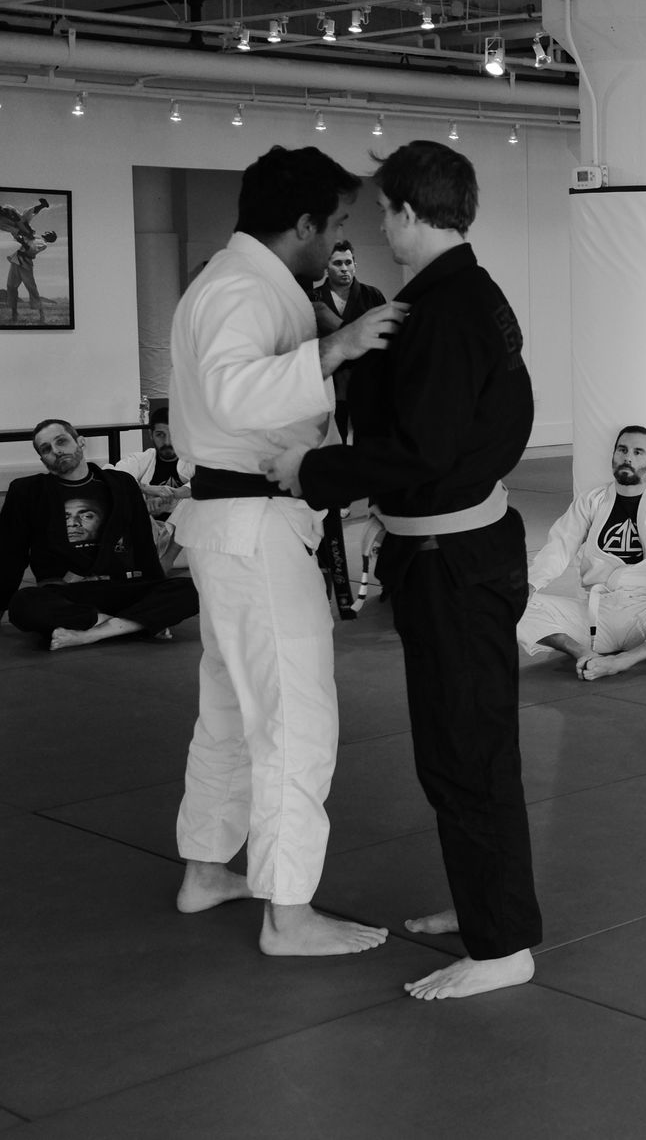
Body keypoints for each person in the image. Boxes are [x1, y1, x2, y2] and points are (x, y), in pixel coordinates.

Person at [268, 141, 538, 1000]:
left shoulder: (449, 310)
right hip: (454, 551)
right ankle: (485, 902)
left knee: (467, 751)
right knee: (459, 748)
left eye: (386, 211)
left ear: (415, 213)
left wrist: (312, 472)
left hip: (454, 559)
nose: (380, 227)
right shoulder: (460, 295)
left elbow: (423, 449)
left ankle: (503, 946)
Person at [167, 144, 404, 959]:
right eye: (335, 223)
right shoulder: (239, 288)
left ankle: (207, 869)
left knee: (232, 711)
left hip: (238, 525)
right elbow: (233, 391)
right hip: (255, 524)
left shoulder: (242, 283)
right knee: (296, 718)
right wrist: (334, 350)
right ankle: (288, 912)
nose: (339, 238)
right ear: (302, 223)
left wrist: (326, 336)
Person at [518, 425, 646, 680]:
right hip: (593, 615)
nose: (628, 457)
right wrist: (531, 583)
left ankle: (625, 660)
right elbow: (560, 545)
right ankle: (583, 653)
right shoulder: (591, 501)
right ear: (613, 456)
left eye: (638, 452)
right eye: (622, 450)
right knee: (504, 600)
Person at [0, 417, 199, 649]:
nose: (56, 451)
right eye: (46, 449)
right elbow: (9, 555)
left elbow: (143, 545)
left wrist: (155, 588)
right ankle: (129, 624)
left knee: (193, 589)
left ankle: (93, 632)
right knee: (23, 604)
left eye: (61, 441)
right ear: (43, 459)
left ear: (80, 442)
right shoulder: (28, 492)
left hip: (123, 586)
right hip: (68, 592)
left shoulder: (121, 484)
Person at [309, 240, 389, 438]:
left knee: (368, 435)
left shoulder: (372, 295)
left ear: (355, 265)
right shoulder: (313, 298)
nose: (344, 268)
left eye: (348, 262)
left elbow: (384, 336)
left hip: (365, 375)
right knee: (333, 436)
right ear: (327, 267)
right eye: (337, 263)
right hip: (329, 379)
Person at [113, 405, 192, 568]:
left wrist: (170, 496)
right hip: (147, 534)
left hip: (183, 542)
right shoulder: (143, 459)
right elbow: (112, 476)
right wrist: (145, 492)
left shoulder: (193, 461)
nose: (167, 442)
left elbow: (208, 483)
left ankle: (167, 561)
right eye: (160, 435)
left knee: (197, 500)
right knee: (118, 495)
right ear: (151, 435)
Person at [2, 194, 55, 323]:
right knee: (11, 286)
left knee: (31, 288)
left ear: (50, 239)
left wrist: (22, 240)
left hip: (25, 264)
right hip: (16, 260)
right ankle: (14, 314)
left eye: (50, 234)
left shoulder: (43, 244)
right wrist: (22, 235)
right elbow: (25, 223)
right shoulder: (35, 236)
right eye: (48, 231)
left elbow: (29, 249)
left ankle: (41, 315)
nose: (47, 232)